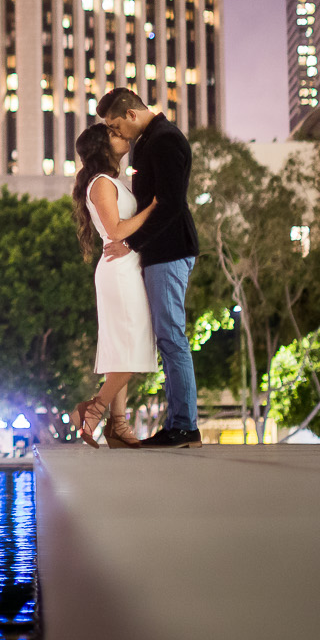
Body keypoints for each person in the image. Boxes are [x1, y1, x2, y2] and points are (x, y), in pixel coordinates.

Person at [96, 88, 203, 448]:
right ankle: (179, 424)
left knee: (172, 337)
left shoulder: (165, 140)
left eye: (115, 125)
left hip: (169, 251)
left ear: (130, 114)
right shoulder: (150, 142)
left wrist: (131, 244)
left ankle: (185, 426)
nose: (116, 134)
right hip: (158, 252)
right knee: (168, 336)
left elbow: (170, 204)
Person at [68, 121, 157, 447]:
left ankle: (118, 425)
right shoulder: (102, 183)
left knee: (124, 348)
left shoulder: (112, 182)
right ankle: (92, 411)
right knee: (133, 348)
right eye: (114, 134)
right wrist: (153, 209)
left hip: (125, 266)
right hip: (119, 272)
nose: (122, 137)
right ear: (101, 147)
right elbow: (117, 231)